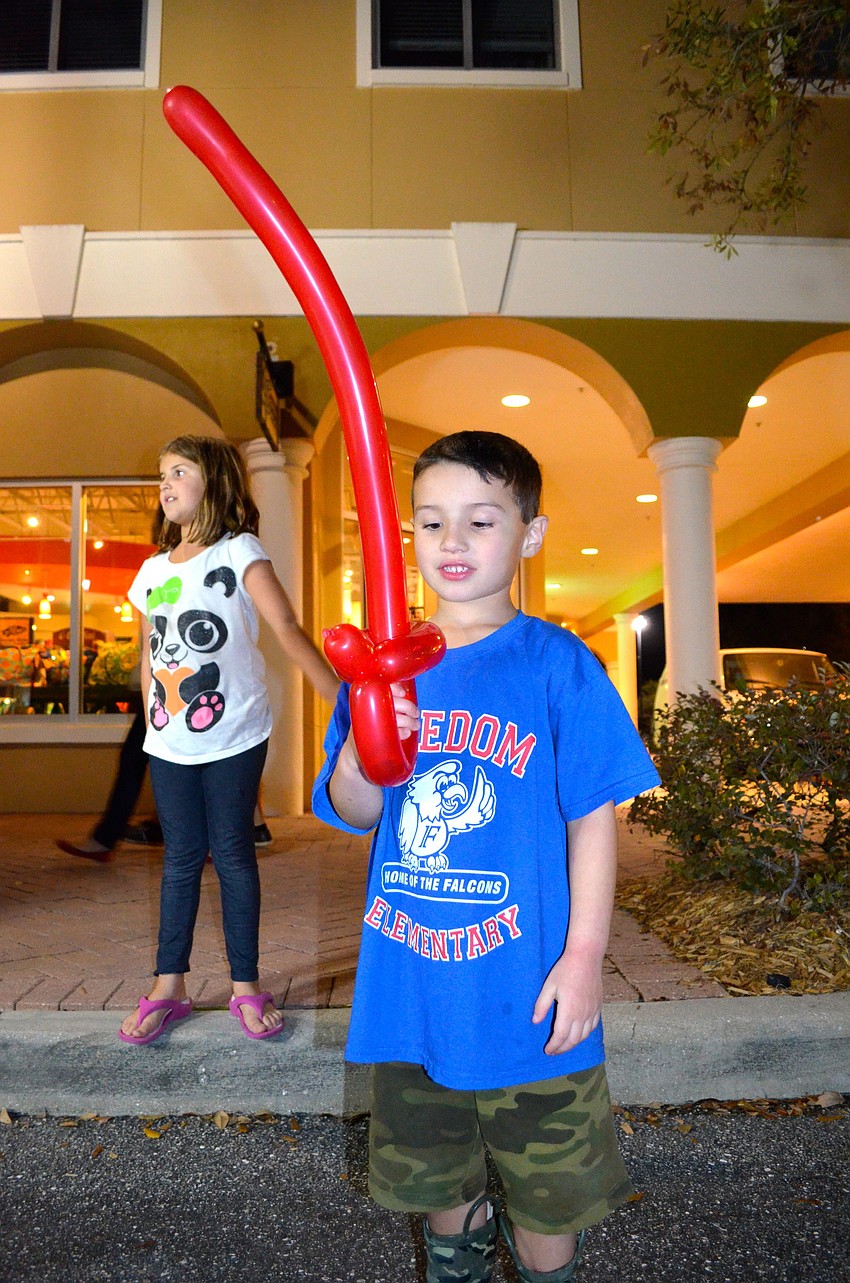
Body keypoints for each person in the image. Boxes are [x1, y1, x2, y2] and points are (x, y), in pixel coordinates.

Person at [312, 431, 660, 1283]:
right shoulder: (383, 673)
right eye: (432, 523)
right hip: (415, 997)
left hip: (531, 1002)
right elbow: (354, 809)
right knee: (438, 1185)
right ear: (410, 537)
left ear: (528, 535)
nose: (454, 542)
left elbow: (591, 820)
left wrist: (583, 958)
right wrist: (365, 745)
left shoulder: (559, 667)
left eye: (480, 519)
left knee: (551, 1202)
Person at [119, 434, 338, 1046]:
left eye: (178, 471)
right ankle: (170, 985)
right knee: (180, 860)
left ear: (211, 481)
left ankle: (246, 986)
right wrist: (152, 726)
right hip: (170, 743)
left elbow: (288, 630)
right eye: (161, 473)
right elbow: (148, 653)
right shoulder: (152, 570)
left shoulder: (240, 552)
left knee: (234, 855)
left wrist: (345, 702)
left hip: (234, 732)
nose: (165, 484)